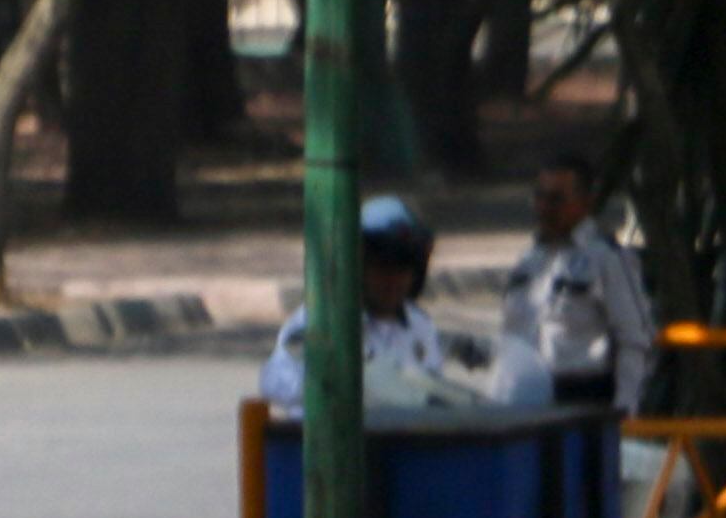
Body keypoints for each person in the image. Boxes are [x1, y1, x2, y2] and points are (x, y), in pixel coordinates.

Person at [259, 195, 481, 408]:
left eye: (403, 268)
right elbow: (274, 382)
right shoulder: (323, 320)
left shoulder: (419, 325)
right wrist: (334, 381)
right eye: (381, 267)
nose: (393, 279)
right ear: (357, 268)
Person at [498, 159, 656, 413]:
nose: (544, 207)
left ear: (586, 203)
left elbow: (636, 339)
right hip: (524, 401)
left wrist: (625, 411)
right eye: (539, 196)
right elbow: (513, 336)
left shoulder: (606, 259)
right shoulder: (528, 261)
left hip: (583, 400)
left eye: (556, 199)